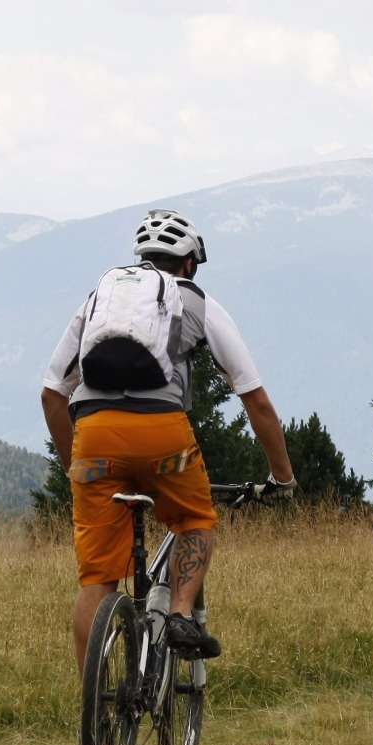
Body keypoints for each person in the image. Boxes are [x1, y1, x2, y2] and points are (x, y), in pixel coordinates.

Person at [40, 208, 295, 677]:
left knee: (96, 580)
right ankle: (180, 614)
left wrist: (74, 465)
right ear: (190, 263)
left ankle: (95, 707)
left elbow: (52, 393)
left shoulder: (101, 299)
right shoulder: (196, 301)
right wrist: (282, 477)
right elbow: (255, 400)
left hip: (94, 437)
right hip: (162, 435)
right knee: (195, 519)